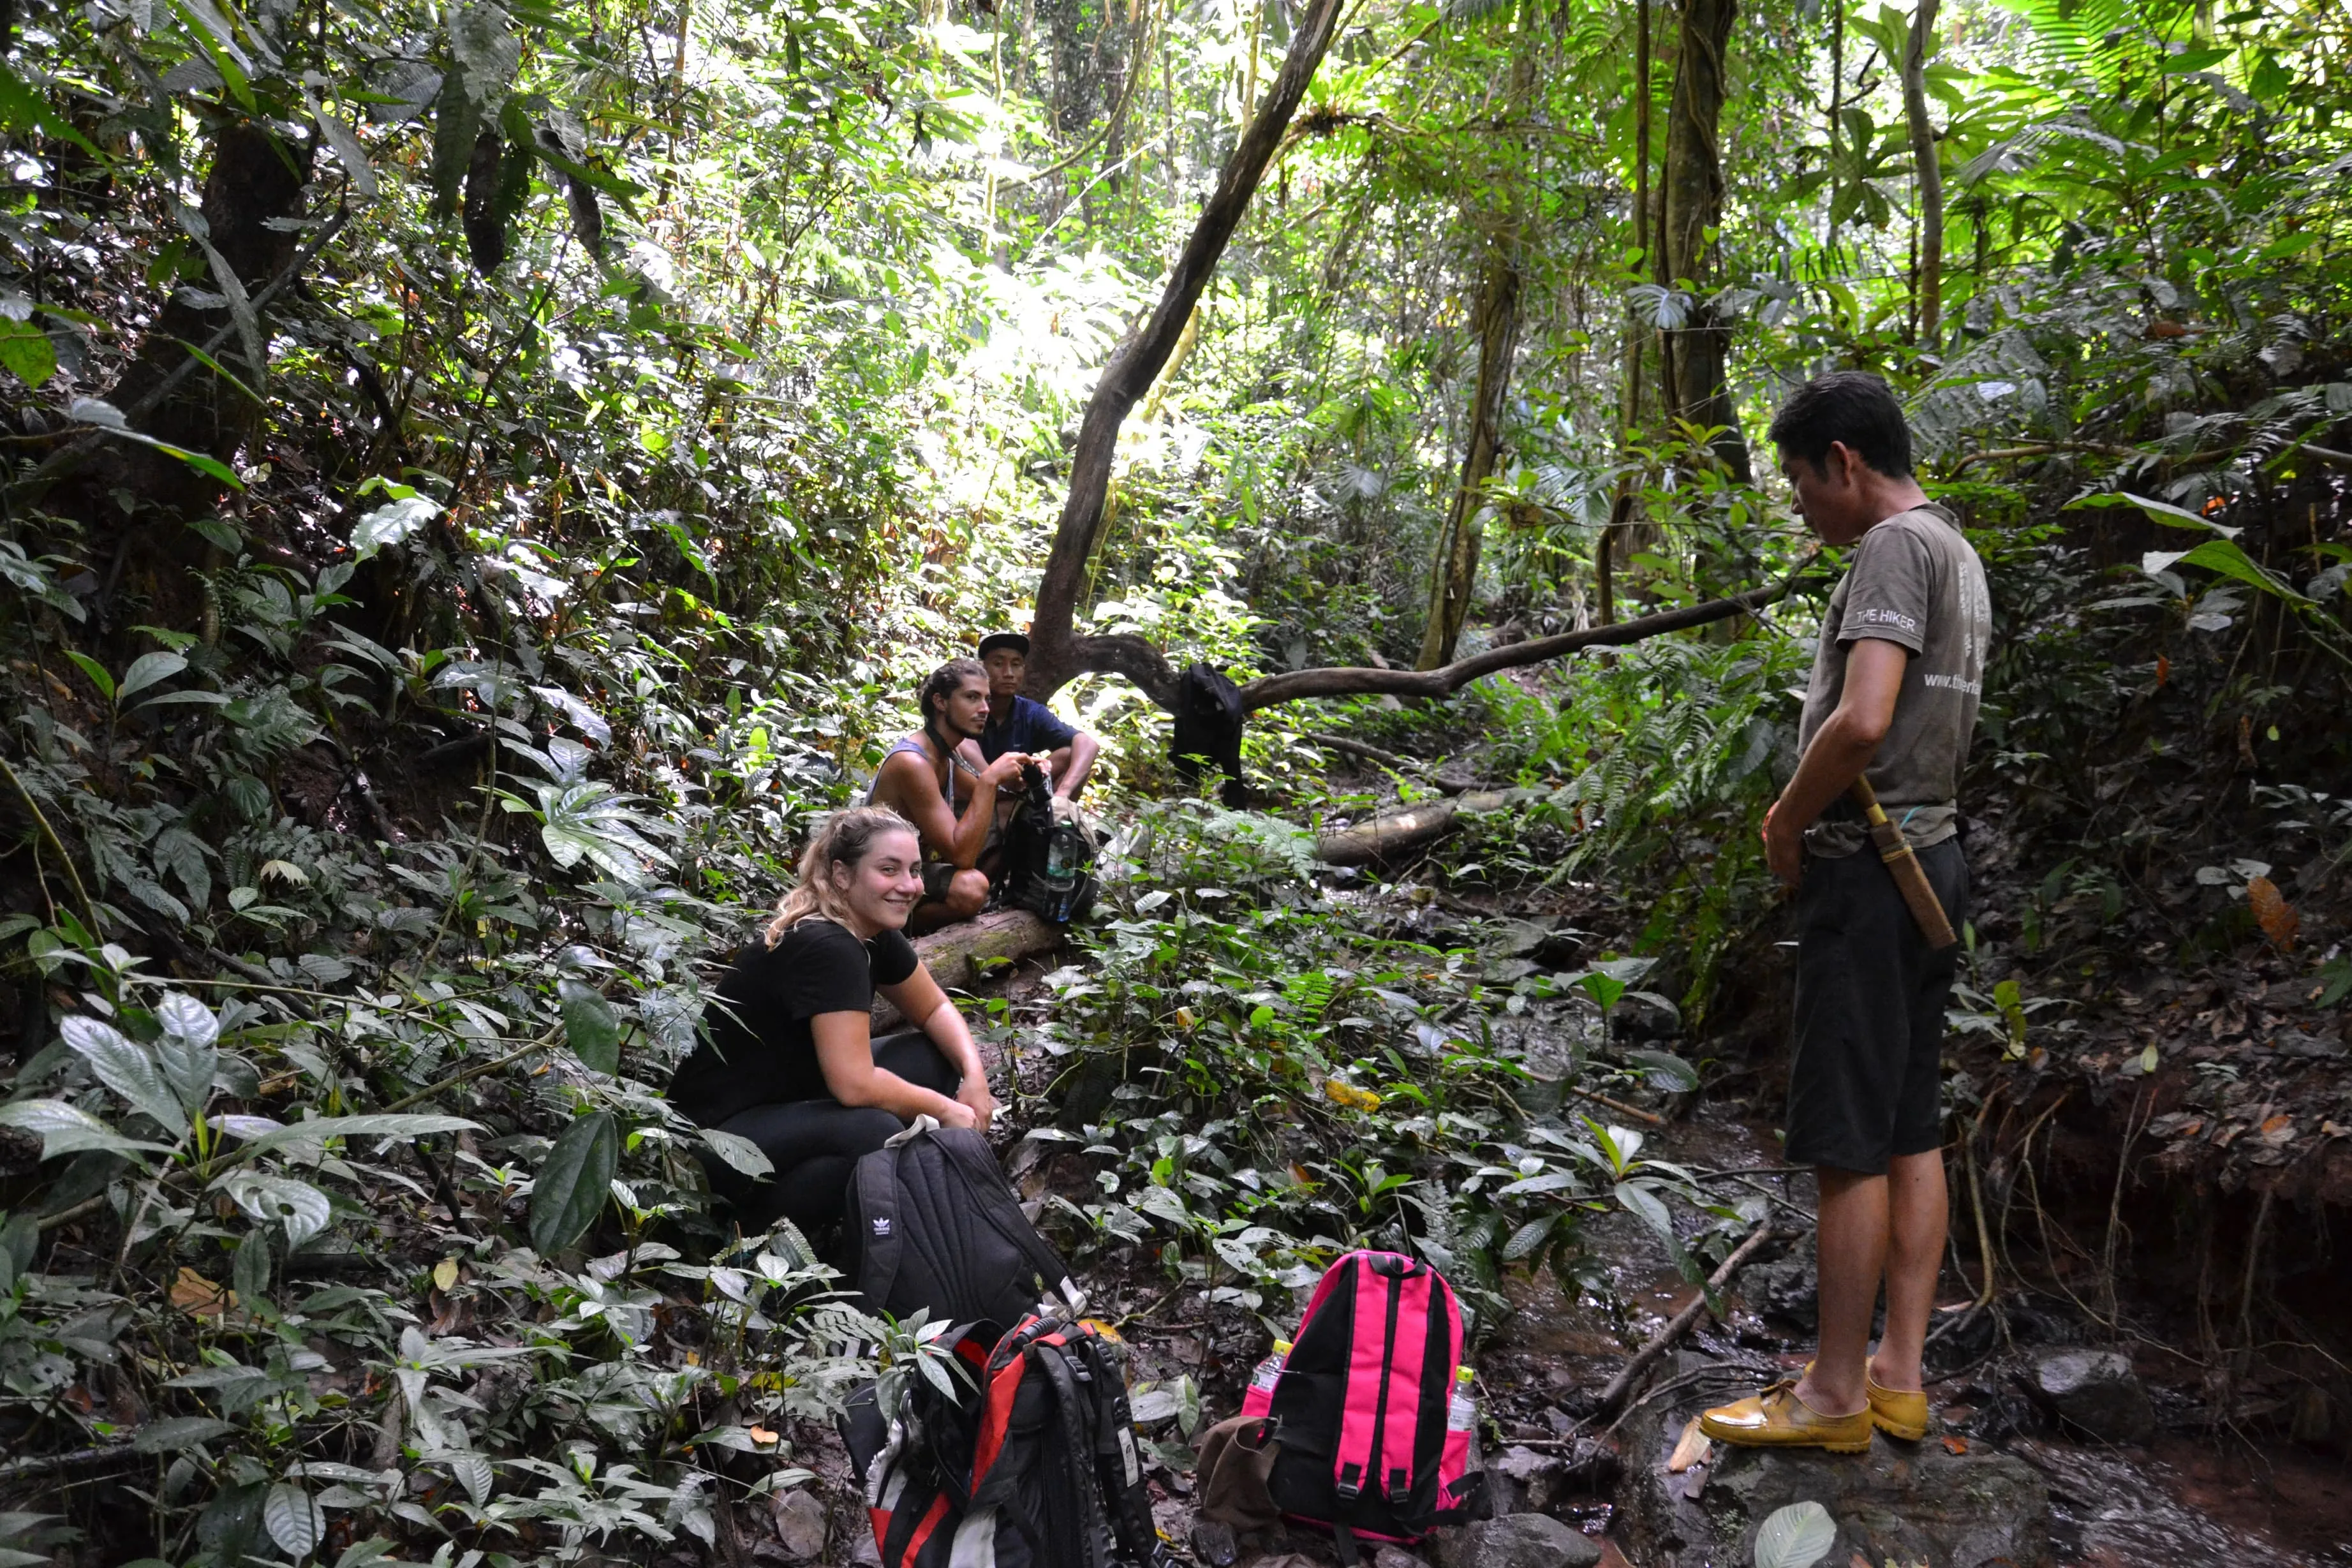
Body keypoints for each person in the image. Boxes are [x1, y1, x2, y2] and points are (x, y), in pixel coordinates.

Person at [1700, 371, 1992, 1454]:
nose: (1798, 504)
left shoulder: (1890, 548)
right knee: (1908, 1121)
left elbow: (1864, 718)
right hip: (1936, 861)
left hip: (1870, 873)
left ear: (1846, 461)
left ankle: (1830, 1394)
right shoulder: (1956, 550)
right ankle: (1897, 1374)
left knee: (1846, 1140)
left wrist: (1785, 817)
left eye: (1798, 480)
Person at [669, 806, 1002, 1232]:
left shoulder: (871, 931)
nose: (909, 886)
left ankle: (879, 1196)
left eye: (915, 870)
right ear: (842, 875)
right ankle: (752, 1243)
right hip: (714, 1140)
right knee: (870, 1129)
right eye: (888, 869)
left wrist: (974, 1076)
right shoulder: (827, 944)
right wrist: (946, 1109)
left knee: (930, 1054)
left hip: (790, 1102)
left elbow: (935, 1009)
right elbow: (854, 1082)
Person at [864, 658, 1035, 933]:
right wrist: (991, 778)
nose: (984, 709)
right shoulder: (913, 762)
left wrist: (1026, 775)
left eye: (987, 699)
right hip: (877, 873)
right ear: (940, 702)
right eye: (972, 698)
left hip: (910, 869)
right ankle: (889, 930)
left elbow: (1001, 798)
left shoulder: (946, 754)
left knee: (1006, 817)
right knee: (971, 888)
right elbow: (962, 856)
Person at [976, 631, 1098, 800]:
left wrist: (1063, 793)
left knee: (1070, 754)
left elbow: (1088, 743)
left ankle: (1053, 817)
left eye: (1016, 664)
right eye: (998, 664)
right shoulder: (971, 709)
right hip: (975, 790)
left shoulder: (1029, 712)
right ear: (982, 668)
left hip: (1018, 792)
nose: (1009, 673)